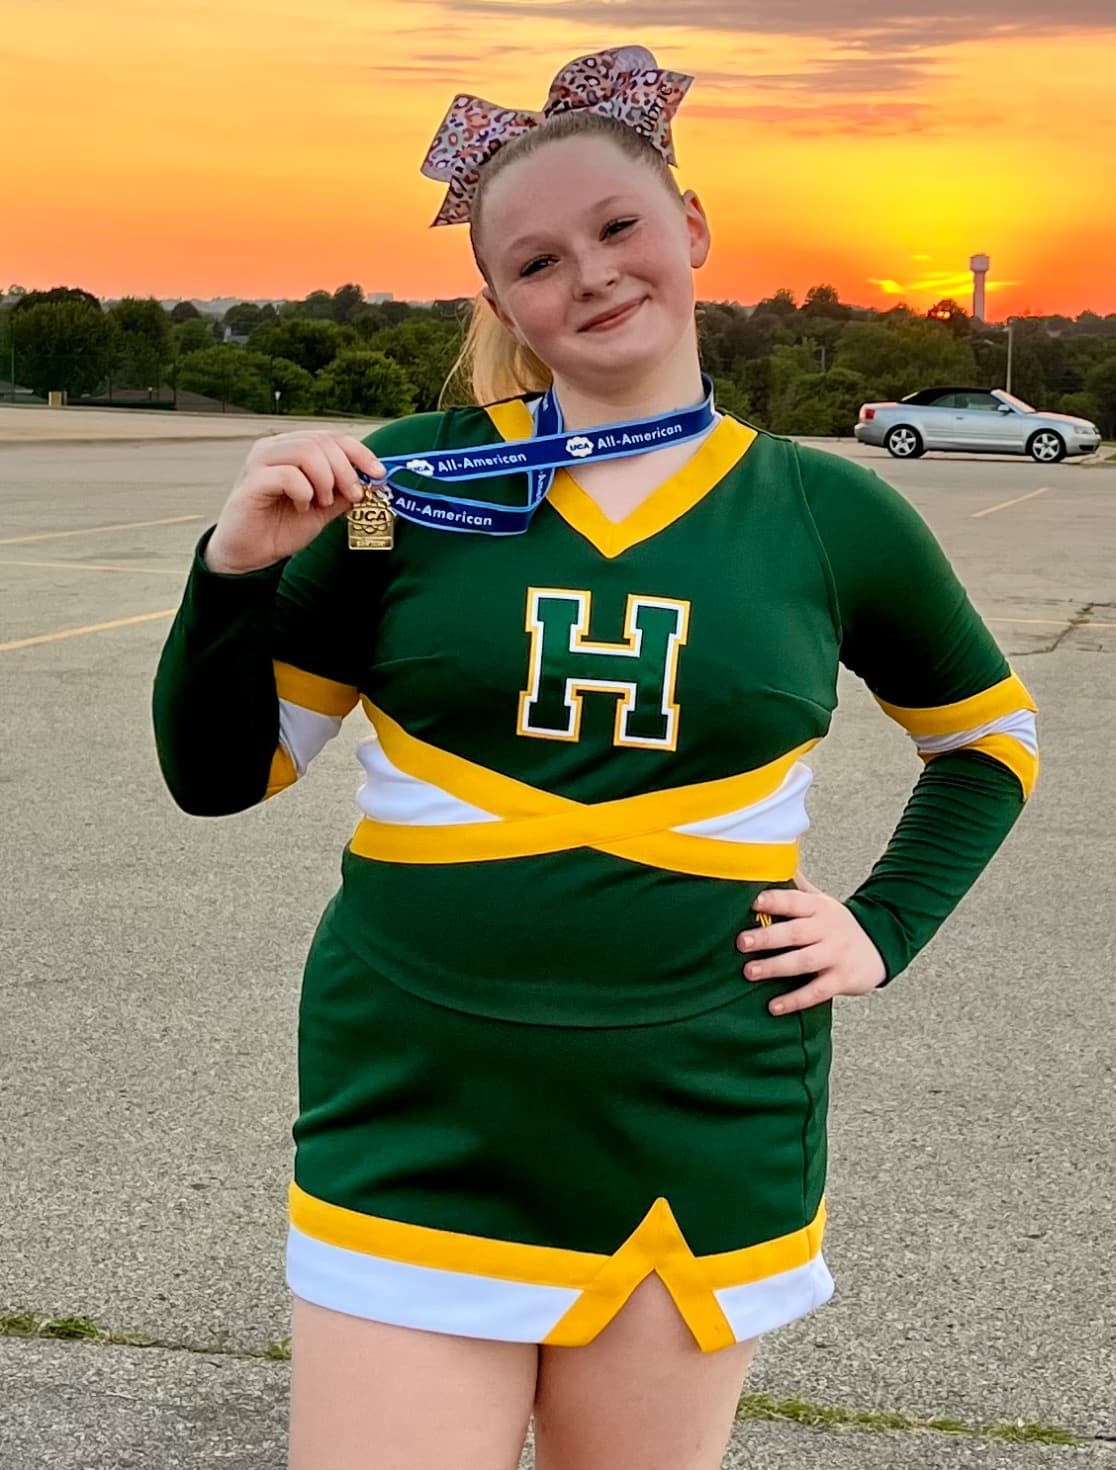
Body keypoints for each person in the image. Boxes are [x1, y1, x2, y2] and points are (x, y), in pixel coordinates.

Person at [152, 45, 1039, 1470]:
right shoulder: (402, 487)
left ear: (690, 226)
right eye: (538, 260)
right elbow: (222, 775)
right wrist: (234, 571)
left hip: (696, 1112)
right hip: (418, 1102)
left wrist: (884, 926)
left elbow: (989, 739)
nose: (593, 276)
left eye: (619, 227)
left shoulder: (826, 512)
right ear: (500, 300)